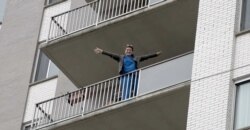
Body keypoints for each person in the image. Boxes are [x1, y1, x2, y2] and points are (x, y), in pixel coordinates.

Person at [94, 44, 161, 100]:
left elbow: (146, 56)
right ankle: (125, 100)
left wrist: (155, 54)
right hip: (125, 76)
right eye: (127, 50)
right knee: (126, 91)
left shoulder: (136, 58)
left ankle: (136, 99)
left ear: (132, 52)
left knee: (136, 90)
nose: (128, 51)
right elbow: (111, 55)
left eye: (130, 50)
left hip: (134, 76)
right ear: (125, 51)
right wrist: (102, 51)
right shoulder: (121, 57)